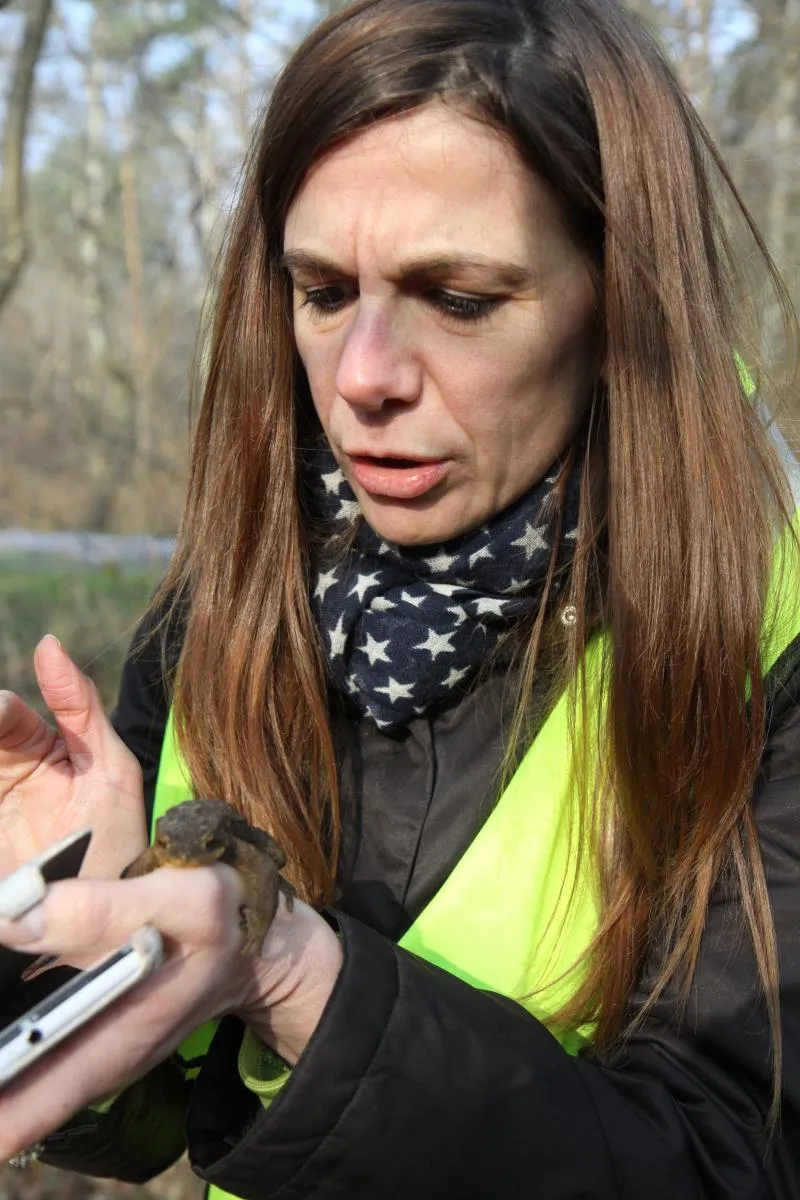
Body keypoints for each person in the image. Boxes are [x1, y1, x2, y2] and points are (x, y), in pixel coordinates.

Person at [1, 0, 799, 1195]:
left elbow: (733, 1162)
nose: (362, 378)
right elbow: (151, 1121)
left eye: (460, 299)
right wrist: (69, 932)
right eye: (322, 292)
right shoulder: (240, 583)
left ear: (619, 305)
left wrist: (294, 980)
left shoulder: (763, 632)